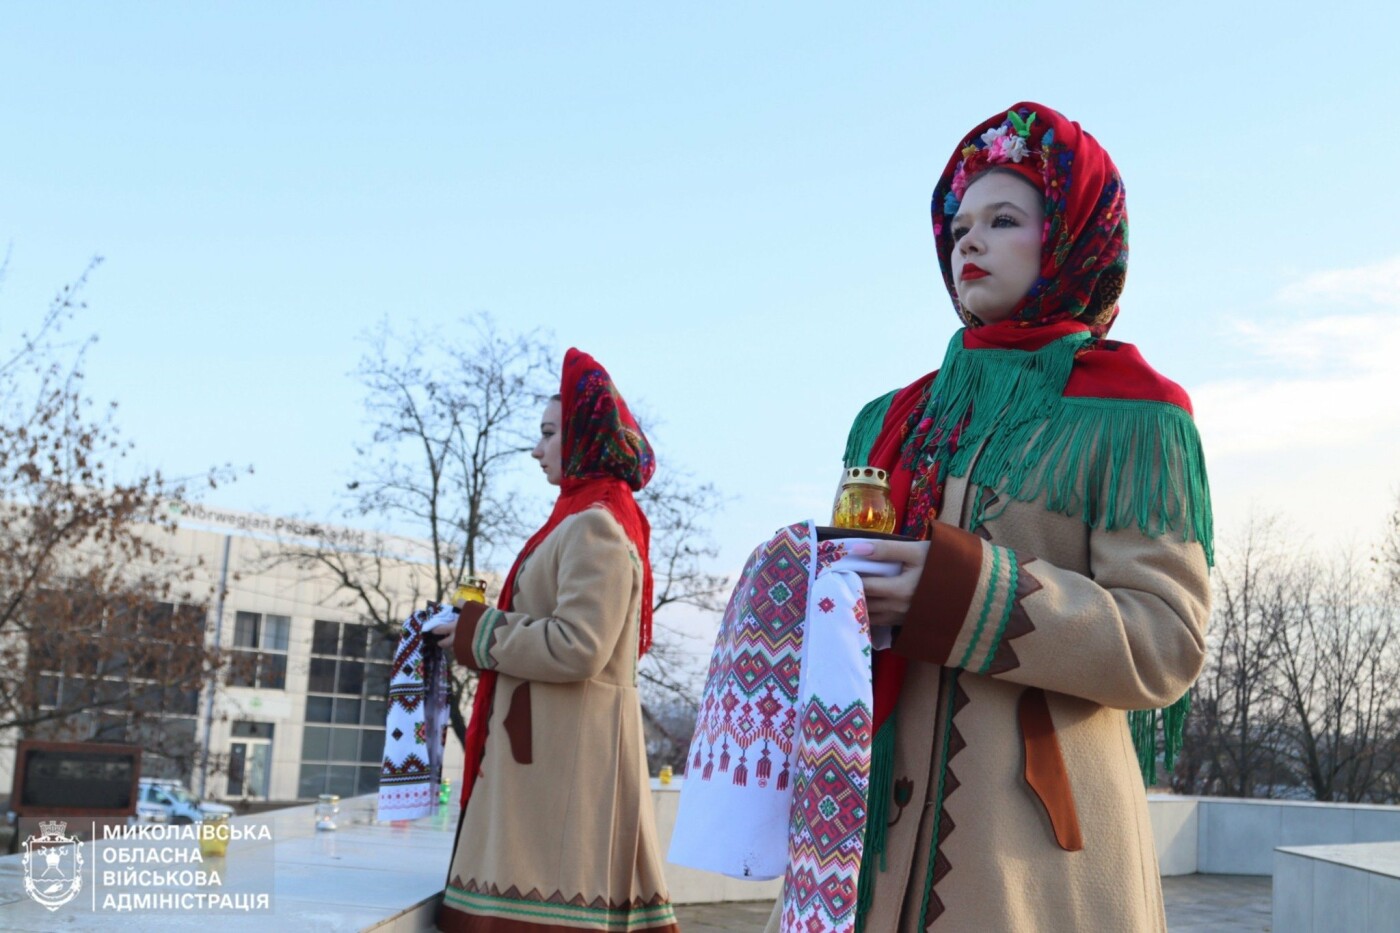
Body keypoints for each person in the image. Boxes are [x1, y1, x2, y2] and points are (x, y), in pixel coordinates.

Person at [782, 104, 1214, 932]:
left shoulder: (1135, 415)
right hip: (863, 835)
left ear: (1071, 237)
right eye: (959, 226)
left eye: (1003, 219)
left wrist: (968, 592)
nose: (967, 242)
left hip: (1032, 855)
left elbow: (1166, 638)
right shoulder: (891, 416)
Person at [433, 348, 679, 933]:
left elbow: (579, 645)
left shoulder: (595, 523)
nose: (537, 448)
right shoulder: (584, 516)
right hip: (553, 752)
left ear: (584, 438)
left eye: (549, 433)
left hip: (565, 760)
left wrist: (478, 631)